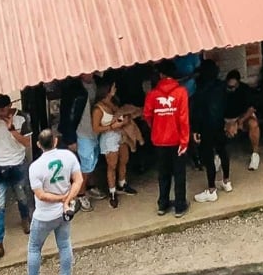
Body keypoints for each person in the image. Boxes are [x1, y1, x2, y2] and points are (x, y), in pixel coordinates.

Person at [22, 129, 82, 275]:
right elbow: (78, 180)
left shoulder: (35, 167)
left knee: (34, 248)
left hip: (44, 215)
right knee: (64, 245)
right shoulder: (68, 156)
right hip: (64, 212)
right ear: (55, 141)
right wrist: (66, 200)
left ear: (38, 144)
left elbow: (41, 195)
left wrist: (60, 198)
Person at [0, 94, 33, 262]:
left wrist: (11, 129)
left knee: (22, 197)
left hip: (17, 164)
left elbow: (27, 142)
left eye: (2, 110)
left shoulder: (23, 117)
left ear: (9, 106)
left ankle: (25, 218)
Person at [144, 61, 191, 218]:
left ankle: (162, 205)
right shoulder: (181, 92)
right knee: (179, 173)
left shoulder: (152, 94)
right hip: (177, 140)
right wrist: (184, 141)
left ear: (161, 75)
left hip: (159, 140)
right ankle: (179, 206)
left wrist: (156, 127)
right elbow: (184, 119)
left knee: (163, 173)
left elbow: (147, 115)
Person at [92, 81, 136, 209]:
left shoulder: (113, 102)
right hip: (109, 138)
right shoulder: (98, 109)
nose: (115, 89)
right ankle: (112, 191)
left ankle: (122, 183)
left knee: (124, 160)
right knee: (112, 165)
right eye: (113, 87)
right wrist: (112, 126)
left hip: (120, 134)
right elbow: (95, 128)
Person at [190, 61, 228, 203]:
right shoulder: (221, 86)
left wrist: (195, 130)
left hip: (206, 127)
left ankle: (211, 189)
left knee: (208, 157)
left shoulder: (200, 90)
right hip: (220, 124)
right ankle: (226, 181)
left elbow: (197, 112)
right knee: (223, 151)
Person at [63, 74, 101, 210]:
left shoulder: (96, 83)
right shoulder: (73, 90)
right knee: (85, 166)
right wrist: (70, 139)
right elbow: (67, 115)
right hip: (82, 133)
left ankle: (91, 187)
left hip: (94, 131)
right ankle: (80, 194)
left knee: (93, 162)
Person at [223, 70, 263, 172]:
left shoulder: (245, 89)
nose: (231, 89)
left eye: (233, 87)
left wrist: (239, 122)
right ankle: (217, 155)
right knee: (212, 126)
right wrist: (227, 124)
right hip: (226, 118)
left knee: (253, 124)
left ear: (238, 84)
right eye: (229, 87)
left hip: (242, 117)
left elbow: (251, 108)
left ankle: (255, 154)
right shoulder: (221, 90)